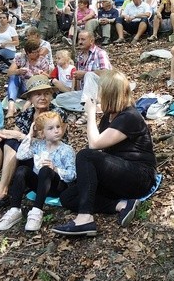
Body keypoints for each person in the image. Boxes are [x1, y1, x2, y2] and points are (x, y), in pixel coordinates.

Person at [52, 70, 157, 236]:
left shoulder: (130, 116)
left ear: (110, 94)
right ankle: (122, 205)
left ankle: (85, 218)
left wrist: (91, 112)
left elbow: (94, 144)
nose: (97, 94)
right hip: (117, 176)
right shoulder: (109, 116)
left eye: (100, 91)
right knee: (68, 197)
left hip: (139, 177)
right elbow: (99, 152)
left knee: (85, 154)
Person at [0, 75, 66, 217]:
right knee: (1, 140)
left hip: (46, 162)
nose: (42, 97)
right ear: (30, 98)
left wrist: (22, 137)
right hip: (26, 158)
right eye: (37, 94)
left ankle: (2, 191)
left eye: (46, 93)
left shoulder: (58, 114)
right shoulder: (26, 114)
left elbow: (56, 142)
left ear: (51, 96)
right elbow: (14, 135)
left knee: (13, 142)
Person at [0, 111, 76, 231]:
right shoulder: (38, 145)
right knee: (22, 169)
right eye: (51, 128)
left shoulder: (66, 150)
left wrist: (55, 169)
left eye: (58, 127)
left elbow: (73, 175)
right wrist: (30, 134)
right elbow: (21, 156)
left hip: (57, 186)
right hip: (39, 185)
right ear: (42, 133)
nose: (56, 130)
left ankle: (37, 211)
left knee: (46, 170)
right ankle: (14, 210)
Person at [5, 38, 50, 118]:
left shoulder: (43, 60)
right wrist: (18, 71)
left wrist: (40, 74)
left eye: (38, 51)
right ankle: (11, 108)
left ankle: (27, 104)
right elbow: (9, 72)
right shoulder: (20, 57)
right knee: (13, 77)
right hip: (22, 86)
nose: (38, 54)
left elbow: (48, 77)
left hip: (35, 88)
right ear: (28, 53)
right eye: (35, 52)